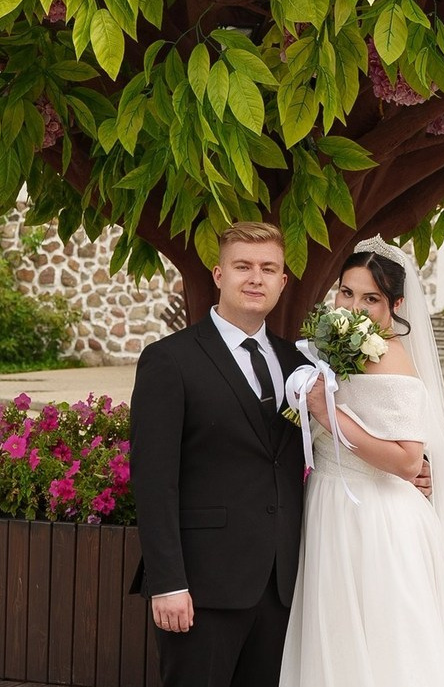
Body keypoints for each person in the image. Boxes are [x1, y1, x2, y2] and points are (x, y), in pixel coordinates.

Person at [278, 236, 444, 687]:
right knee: (340, 637)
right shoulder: (336, 347)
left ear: (396, 303)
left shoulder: (390, 357)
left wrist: (323, 414)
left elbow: (408, 461)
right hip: (329, 503)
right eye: (346, 292)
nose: (354, 306)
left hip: (375, 518)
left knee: (391, 643)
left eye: (371, 298)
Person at [129, 221, 308, 687]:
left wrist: (416, 471)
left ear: (283, 281)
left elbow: (330, 447)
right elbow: (153, 481)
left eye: (269, 268)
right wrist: (168, 582)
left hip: (282, 584)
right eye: (243, 266)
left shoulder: (299, 364)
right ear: (218, 274)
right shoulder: (170, 360)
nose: (256, 278)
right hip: (200, 586)